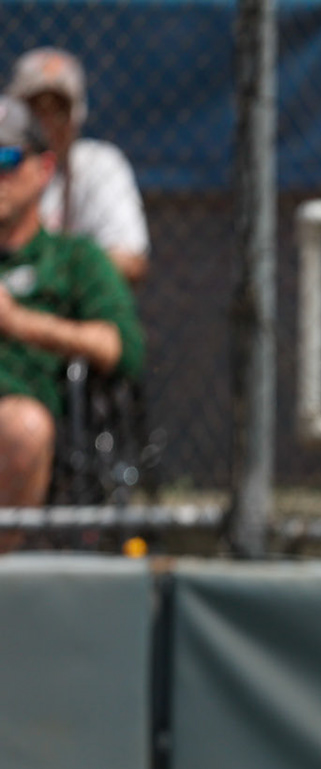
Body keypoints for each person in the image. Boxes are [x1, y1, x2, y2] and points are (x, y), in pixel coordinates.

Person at [0, 96, 144, 534]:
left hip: (18, 415)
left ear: (44, 169)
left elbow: (121, 348)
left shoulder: (74, 259)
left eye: (6, 157)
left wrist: (17, 323)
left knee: (20, 428)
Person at [8, 49, 149, 287]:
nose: (47, 122)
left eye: (58, 110)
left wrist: (37, 280)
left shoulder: (99, 165)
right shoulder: (5, 164)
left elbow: (130, 260)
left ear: (76, 114)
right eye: (35, 109)